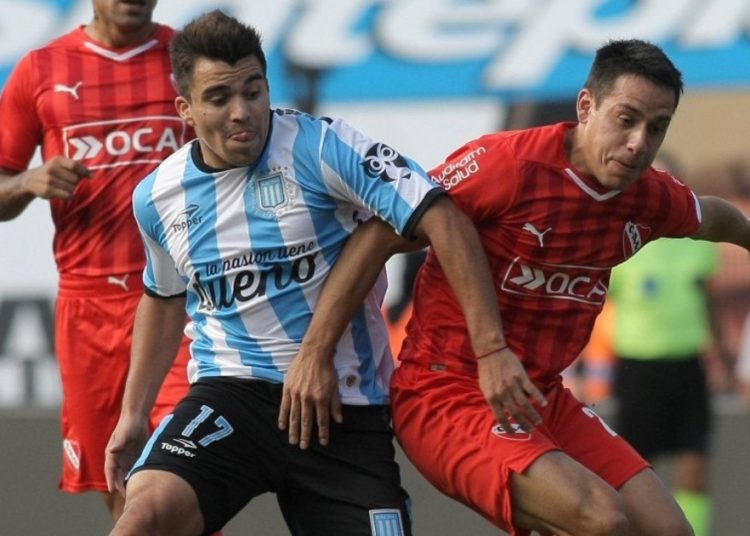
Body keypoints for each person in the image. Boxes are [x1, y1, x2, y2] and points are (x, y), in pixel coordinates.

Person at [104, 10, 536, 536]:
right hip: (232, 396)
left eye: (253, 90)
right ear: (186, 110)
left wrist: (490, 350)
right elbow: (164, 297)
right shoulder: (157, 196)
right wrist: (134, 413)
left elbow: (441, 215)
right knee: (143, 517)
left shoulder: (322, 145)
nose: (242, 112)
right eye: (219, 98)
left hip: (341, 403)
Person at [297, 39, 750, 536]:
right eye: (626, 119)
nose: (639, 142)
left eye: (656, 128)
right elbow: (379, 234)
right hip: (447, 394)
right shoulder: (508, 166)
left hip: (540, 398)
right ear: (586, 106)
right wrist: (315, 353)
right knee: (600, 519)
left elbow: (716, 217)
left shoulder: (649, 198)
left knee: (669, 531)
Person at [0, 0, 193, 521]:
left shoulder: (189, 57)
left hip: (181, 301)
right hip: (89, 307)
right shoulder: (40, 69)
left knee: (182, 473)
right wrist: (26, 182)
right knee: (123, 482)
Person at [608, 154, 733, 536]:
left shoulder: (696, 244)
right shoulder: (619, 243)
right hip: (638, 367)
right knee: (637, 473)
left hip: (687, 365)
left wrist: (722, 356)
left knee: (694, 468)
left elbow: (708, 302)